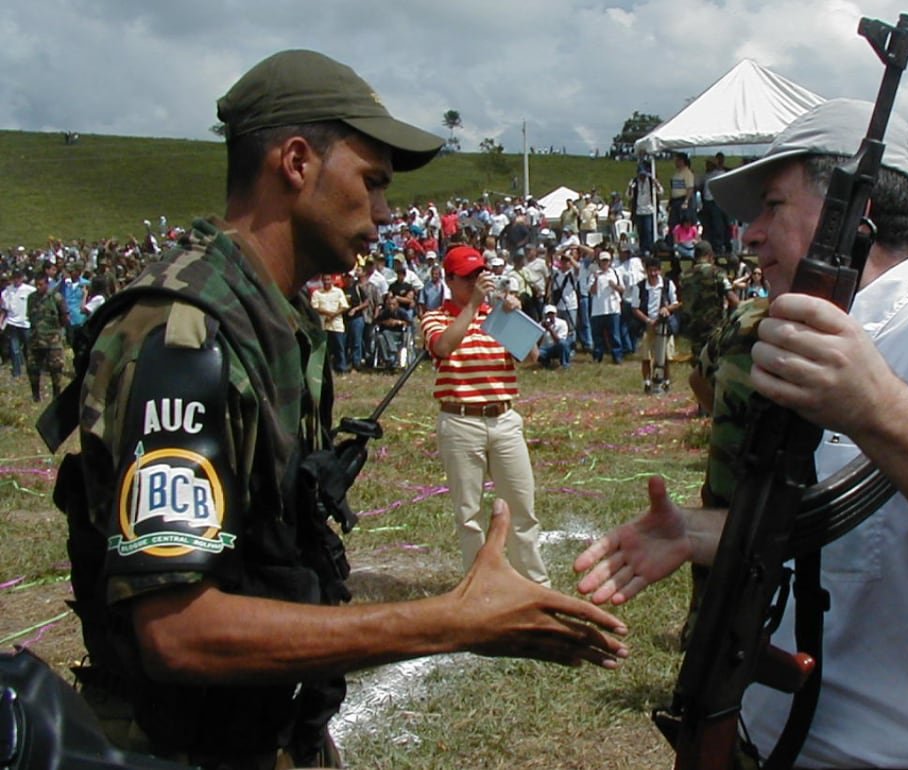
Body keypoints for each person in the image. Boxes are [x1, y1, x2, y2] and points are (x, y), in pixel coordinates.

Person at [40, 49, 626, 770]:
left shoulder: (272, 317)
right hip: (180, 746)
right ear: (295, 162)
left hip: (263, 727)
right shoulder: (182, 334)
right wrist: (445, 621)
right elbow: (178, 630)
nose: (384, 212)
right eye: (371, 182)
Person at [574, 98, 908, 769]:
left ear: (855, 213)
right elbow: (836, 537)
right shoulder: (823, 336)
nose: (750, 234)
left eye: (772, 206)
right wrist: (697, 535)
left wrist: (878, 408)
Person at [420, 245, 553, 586]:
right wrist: (473, 306)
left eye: (480, 274)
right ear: (449, 280)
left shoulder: (497, 316)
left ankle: (534, 586)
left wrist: (516, 318)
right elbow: (443, 348)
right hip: (461, 420)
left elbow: (532, 357)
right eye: (467, 277)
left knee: (522, 509)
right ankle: (481, 588)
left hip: (504, 419)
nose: (477, 281)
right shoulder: (435, 317)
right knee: (469, 515)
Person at [631, 256, 680, 394]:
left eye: (655, 271)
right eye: (650, 271)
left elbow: (676, 303)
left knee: (665, 356)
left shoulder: (667, 284)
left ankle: (666, 381)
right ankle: (647, 382)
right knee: (646, 356)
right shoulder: (639, 287)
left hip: (664, 325)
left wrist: (667, 309)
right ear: (646, 271)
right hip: (647, 324)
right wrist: (647, 320)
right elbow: (635, 308)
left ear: (660, 271)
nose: (653, 274)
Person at [26, 271, 68, 402]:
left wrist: (57, 331)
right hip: (35, 339)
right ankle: (36, 396)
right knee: (32, 368)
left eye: (40, 284)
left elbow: (64, 317)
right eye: (36, 285)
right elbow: (30, 316)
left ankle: (56, 395)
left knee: (56, 369)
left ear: (47, 284)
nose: (38, 287)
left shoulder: (56, 297)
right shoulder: (31, 298)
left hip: (53, 340)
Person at [311, 273, 350, 373]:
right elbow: (314, 307)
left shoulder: (338, 292)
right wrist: (327, 313)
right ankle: (326, 370)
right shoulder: (317, 293)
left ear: (332, 281)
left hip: (336, 324)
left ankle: (341, 368)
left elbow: (344, 306)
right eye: (324, 280)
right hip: (323, 324)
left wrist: (333, 315)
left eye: (328, 280)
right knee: (325, 350)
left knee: (339, 347)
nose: (326, 282)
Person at [1, 269, 35, 377]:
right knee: (14, 348)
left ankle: (33, 369)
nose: (16, 280)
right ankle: (17, 372)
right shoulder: (7, 291)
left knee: (30, 347)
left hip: (25, 323)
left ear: (22, 278)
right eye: (14, 278)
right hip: (12, 323)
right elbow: (4, 309)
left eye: (18, 278)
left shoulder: (29, 290)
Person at [536, 304, 571, 369]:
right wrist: (542, 330)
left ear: (556, 314)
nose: (550, 316)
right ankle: (545, 362)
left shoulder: (562, 323)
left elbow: (559, 341)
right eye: (548, 314)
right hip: (544, 349)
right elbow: (537, 343)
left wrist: (550, 329)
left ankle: (565, 365)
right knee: (538, 354)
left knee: (563, 344)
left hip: (556, 348)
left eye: (552, 313)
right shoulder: (540, 324)